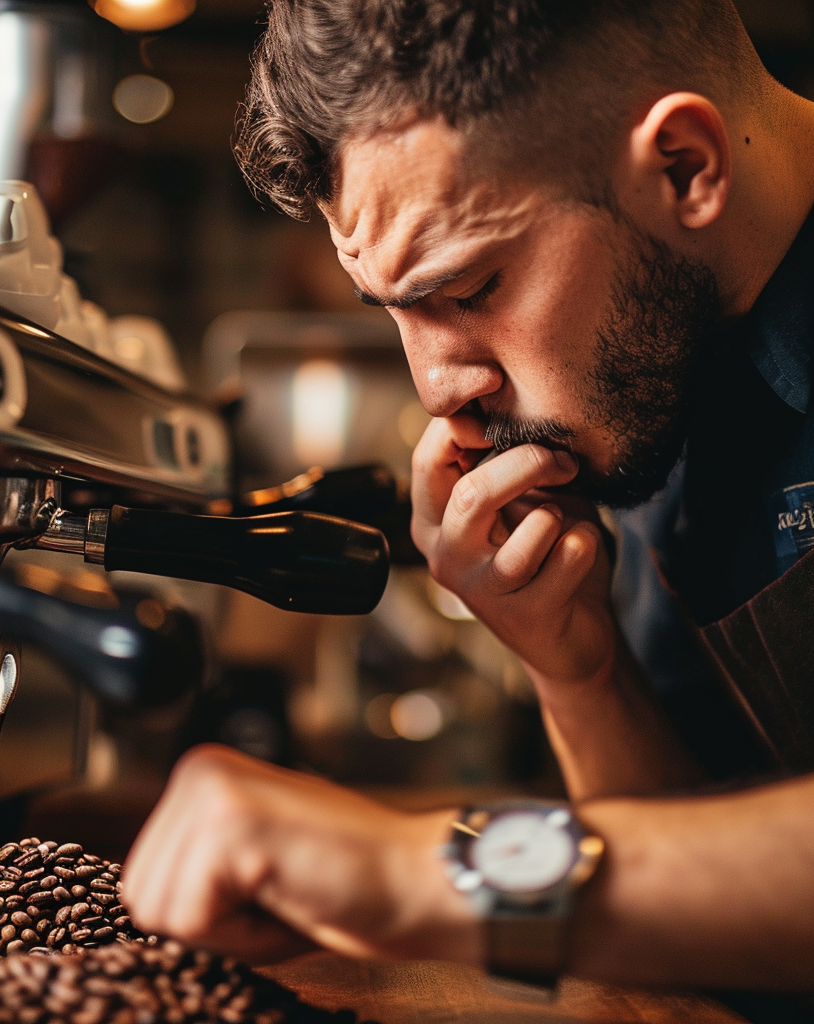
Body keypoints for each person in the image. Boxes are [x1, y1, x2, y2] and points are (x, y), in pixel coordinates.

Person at [120, 0, 814, 993]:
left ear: (684, 169)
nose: (438, 389)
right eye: (396, 312)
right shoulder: (661, 354)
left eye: (473, 287)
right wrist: (578, 670)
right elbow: (710, 940)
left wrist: (420, 873)